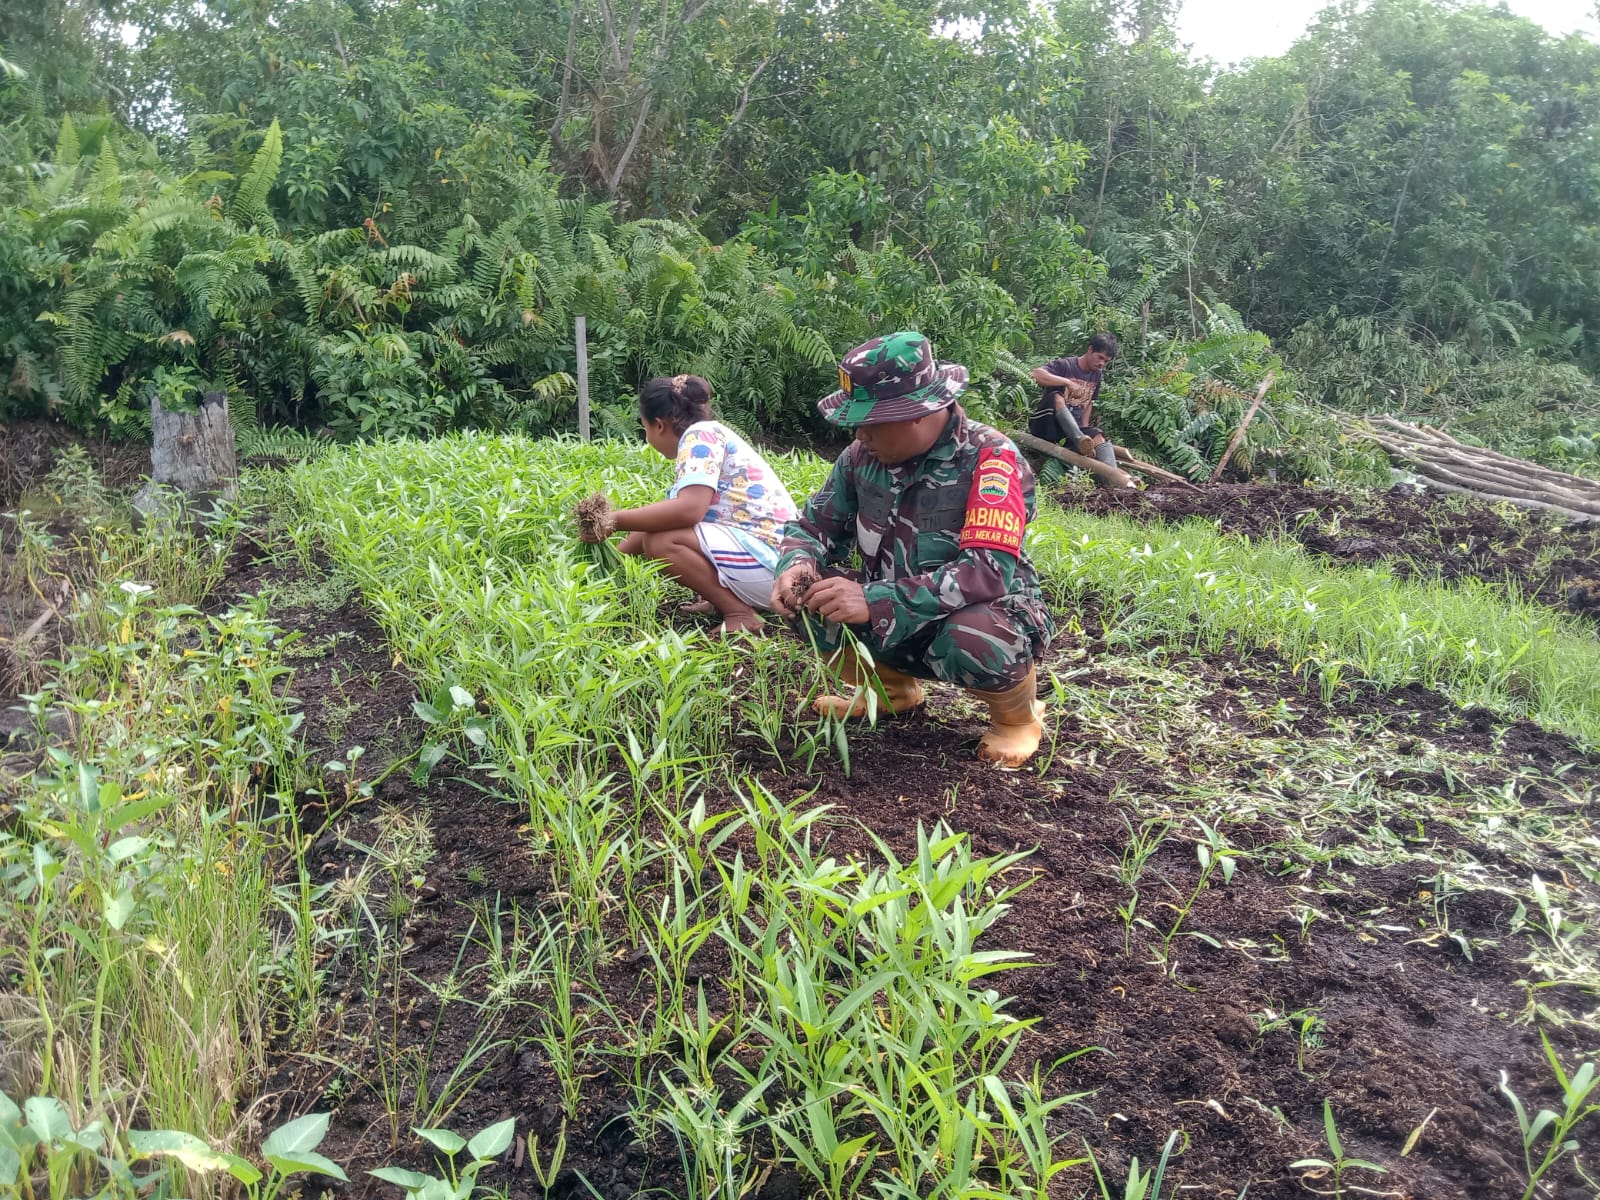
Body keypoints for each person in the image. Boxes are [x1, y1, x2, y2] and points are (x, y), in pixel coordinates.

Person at [771, 332, 1055, 768]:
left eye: (872, 421)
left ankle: (1016, 720)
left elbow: (986, 571)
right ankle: (890, 692)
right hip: (890, 610)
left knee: (974, 638)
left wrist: (873, 600)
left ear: (920, 413)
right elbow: (813, 525)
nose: (859, 433)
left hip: (982, 613)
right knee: (809, 597)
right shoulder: (859, 458)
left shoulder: (991, 459)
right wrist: (796, 564)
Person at [578, 374, 797, 635]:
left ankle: (739, 613)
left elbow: (688, 511)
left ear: (658, 425)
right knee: (661, 534)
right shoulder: (707, 437)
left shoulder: (699, 437)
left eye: (644, 427)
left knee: (661, 543)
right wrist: (610, 560)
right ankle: (723, 602)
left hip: (775, 570)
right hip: (776, 565)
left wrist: (615, 519)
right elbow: (664, 517)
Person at [1029, 333, 1120, 469]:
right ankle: (1079, 440)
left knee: (1098, 436)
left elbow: (1088, 403)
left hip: (1070, 432)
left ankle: (1115, 476)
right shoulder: (1065, 365)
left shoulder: (1097, 375)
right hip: (1046, 425)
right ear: (1090, 350)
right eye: (1099, 357)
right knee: (1056, 396)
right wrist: (1067, 382)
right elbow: (1035, 374)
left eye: (1106, 361)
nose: (1101, 363)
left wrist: (1086, 430)